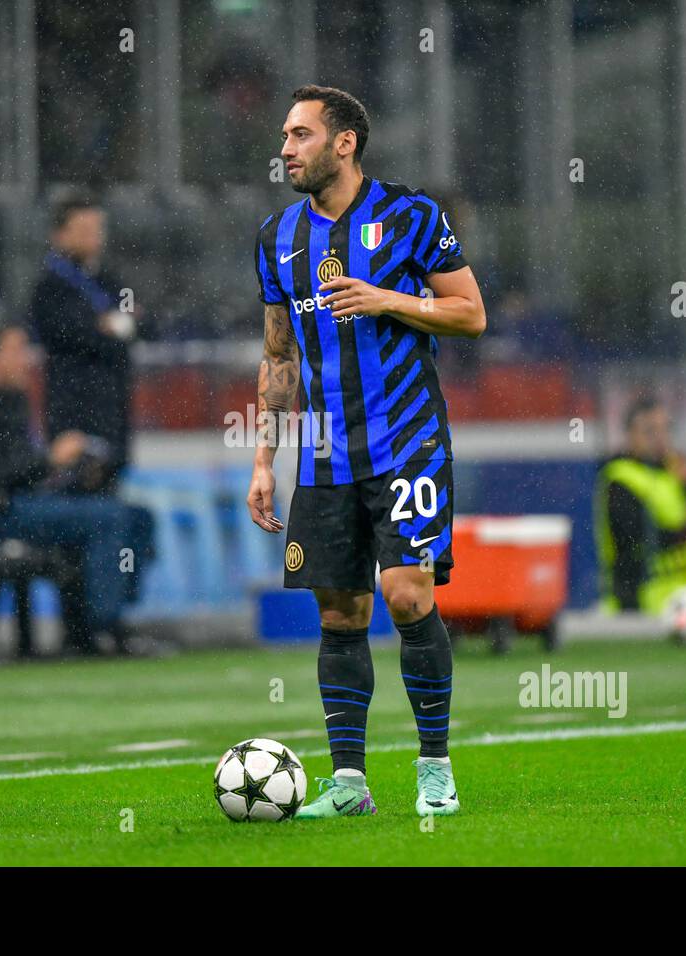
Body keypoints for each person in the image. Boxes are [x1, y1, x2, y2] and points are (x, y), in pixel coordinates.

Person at [247, 85, 486, 819]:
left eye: (300, 135)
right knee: (340, 614)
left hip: (405, 440)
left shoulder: (412, 216)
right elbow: (278, 355)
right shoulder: (276, 237)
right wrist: (264, 458)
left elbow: (471, 314)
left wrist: (390, 300)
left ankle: (435, 767)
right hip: (322, 454)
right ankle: (349, 784)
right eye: (285, 135)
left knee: (407, 593)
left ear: (344, 143)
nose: (285, 148)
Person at [0, 323, 148, 655]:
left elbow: (27, 470)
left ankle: (113, 616)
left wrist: (75, 473)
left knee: (137, 515)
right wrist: (51, 460)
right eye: (18, 351)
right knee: (110, 518)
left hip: (28, 503)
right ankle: (102, 628)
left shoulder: (14, 401)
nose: (26, 360)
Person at [29, 196, 136, 480]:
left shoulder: (109, 280)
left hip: (113, 411)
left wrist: (110, 328)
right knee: (78, 493)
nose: (93, 237)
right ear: (60, 234)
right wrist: (105, 329)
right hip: (73, 409)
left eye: (97, 229)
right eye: (83, 230)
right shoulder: (50, 287)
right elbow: (76, 334)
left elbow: (139, 324)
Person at [594, 397, 686, 615]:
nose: (660, 438)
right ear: (630, 435)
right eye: (650, 431)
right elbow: (635, 536)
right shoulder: (621, 477)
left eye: (665, 429)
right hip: (641, 602)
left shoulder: (676, 472)